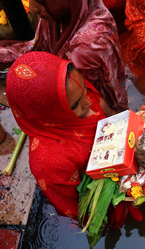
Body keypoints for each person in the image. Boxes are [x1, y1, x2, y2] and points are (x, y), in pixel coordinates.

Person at [0, 0, 127, 112]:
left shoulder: (85, 45)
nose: (33, 7)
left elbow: (88, 101)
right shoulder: (64, 13)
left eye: (40, 0)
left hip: (95, 102)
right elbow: (31, 49)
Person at [6, 51, 111, 220]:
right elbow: (83, 211)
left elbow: (110, 113)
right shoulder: (50, 164)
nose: (89, 103)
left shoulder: (73, 87)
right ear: (49, 114)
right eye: (76, 105)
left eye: (84, 88)